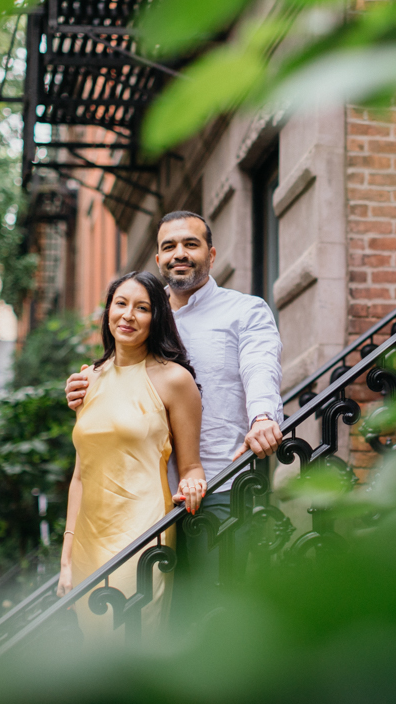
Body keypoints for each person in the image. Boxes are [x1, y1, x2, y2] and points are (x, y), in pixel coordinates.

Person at [64, 211, 284, 621]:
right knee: (146, 619)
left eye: (190, 244)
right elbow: (122, 377)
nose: (179, 254)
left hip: (219, 487)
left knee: (208, 612)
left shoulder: (244, 311)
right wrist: (84, 387)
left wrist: (262, 418)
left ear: (211, 254)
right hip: (145, 502)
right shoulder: (143, 312)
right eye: (169, 246)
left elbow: (260, 367)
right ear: (158, 258)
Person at [57, 271, 207, 644]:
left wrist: (194, 483)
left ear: (157, 317)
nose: (128, 315)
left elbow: (191, 466)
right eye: (120, 304)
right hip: (89, 537)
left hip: (143, 530)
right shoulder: (87, 380)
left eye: (142, 308)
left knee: (133, 640)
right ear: (108, 310)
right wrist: (67, 558)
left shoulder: (175, 380)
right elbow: (80, 477)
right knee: (96, 649)